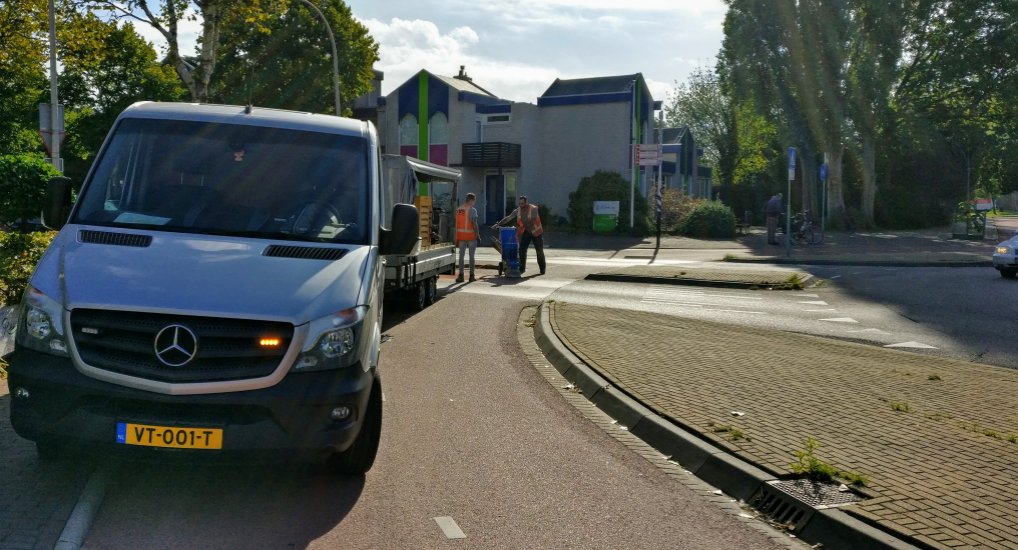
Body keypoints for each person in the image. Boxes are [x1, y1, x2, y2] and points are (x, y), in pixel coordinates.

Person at [498, 195, 546, 275]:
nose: (521, 205)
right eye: (520, 203)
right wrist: (499, 224)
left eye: (523, 203)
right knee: (522, 249)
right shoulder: (518, 210)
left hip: (536, 232)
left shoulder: (533, 208)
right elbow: (509, 217)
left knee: (539, 251)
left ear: (526, 202)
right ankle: (522, 268)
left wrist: (521, 227)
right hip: (527, 232)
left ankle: (542, 269)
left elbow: (532, 221)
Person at [455, 193, 481, 282]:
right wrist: (478, 235)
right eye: (474, 200)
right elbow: (474, 224)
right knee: (471, 257)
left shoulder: (459, 209)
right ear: (471, 200)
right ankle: (471, 276)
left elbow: (456, 224)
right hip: (471, 236)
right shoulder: (472, 210)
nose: (474, 202)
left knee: (461, 257)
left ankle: (461, 276)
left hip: (461, 237)